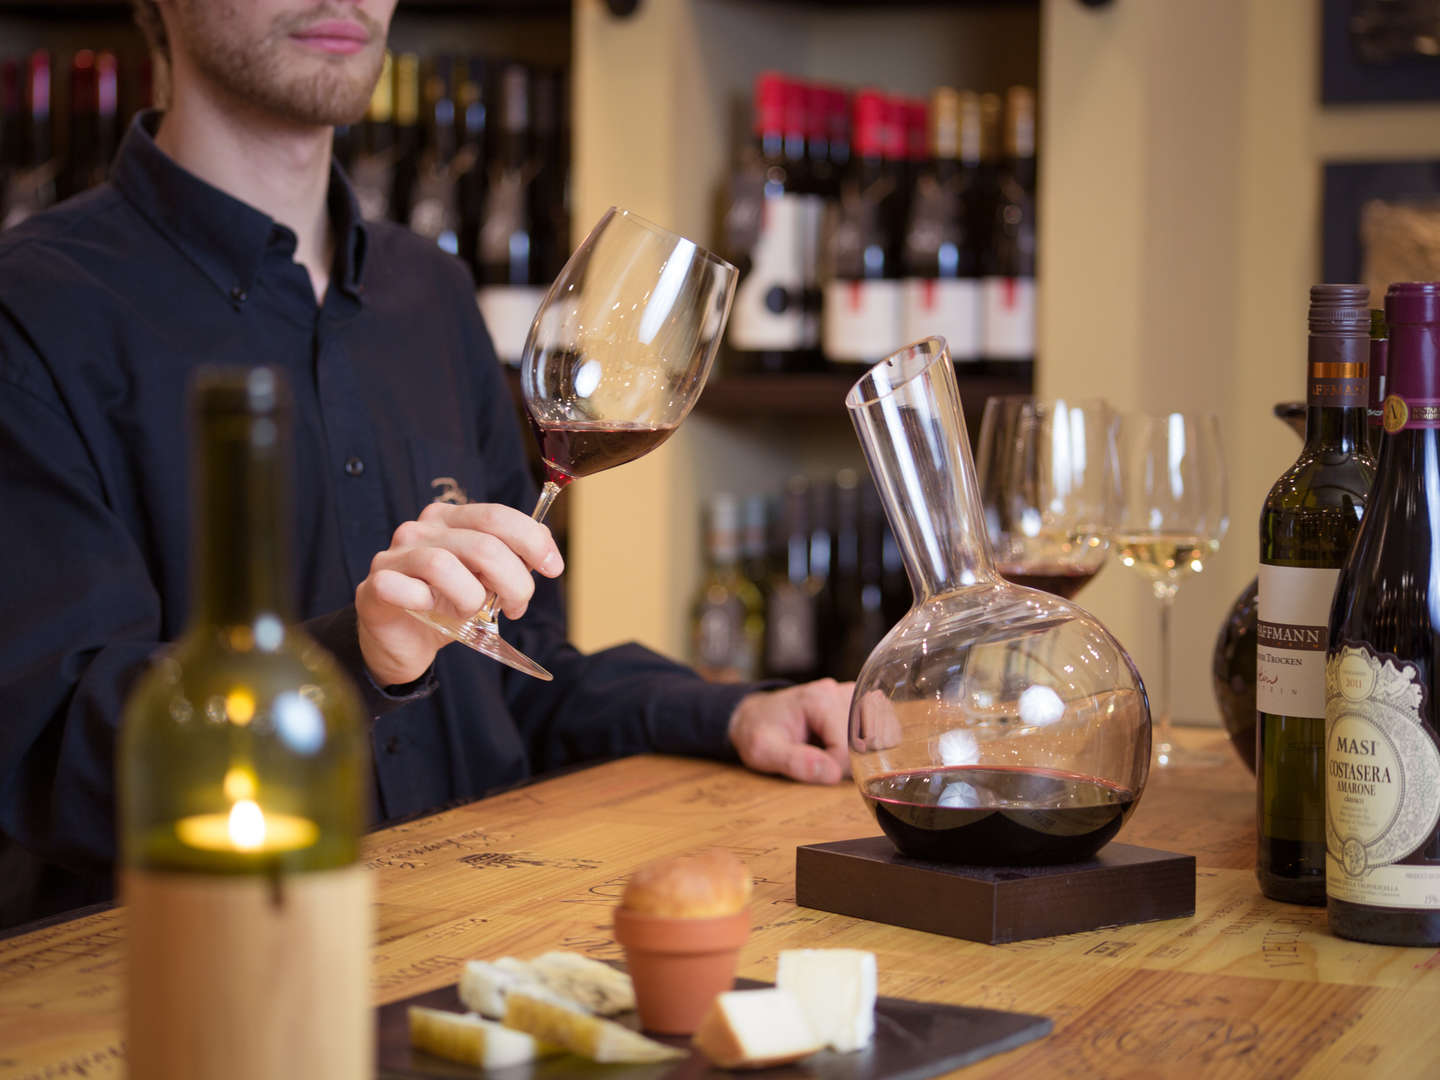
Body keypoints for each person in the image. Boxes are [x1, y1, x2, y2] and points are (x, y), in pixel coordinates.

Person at [0, 0, 851, 930]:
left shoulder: (431, 293)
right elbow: (48, 753)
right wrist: (352, 660)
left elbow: (517, 677)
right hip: (200, 983)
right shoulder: (35, 309)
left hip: (473, 941)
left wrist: (727, 716)